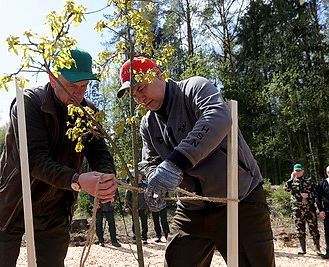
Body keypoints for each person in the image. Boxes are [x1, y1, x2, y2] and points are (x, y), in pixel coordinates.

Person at [116, 56, 275, 266]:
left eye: (141, 88)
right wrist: (153, 181)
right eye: (133, 94)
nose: (139, 98)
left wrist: (174, 163)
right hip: (191, 210)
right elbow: (150, 161)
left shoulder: (193, 88)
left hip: (239, 200)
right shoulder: (147, 124)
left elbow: (218, 117)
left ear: (159, 75)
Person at [0, 48, 117, 267]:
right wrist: (77, 180)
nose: (79, 94)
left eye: (84, 86)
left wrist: (106, 179)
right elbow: (33, 159)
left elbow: (100, 152)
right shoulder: (28, 103)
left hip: (55, 209)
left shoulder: (87, 113)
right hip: (13, 203)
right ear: (53, 79)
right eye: (72, 86)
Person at [284, 163, 322, 256]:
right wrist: (291, 179)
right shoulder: (292, 181)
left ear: (303, 171)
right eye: (296, 170)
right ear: (294, 171)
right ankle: (303, 249)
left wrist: (309, 195)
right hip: (297, 209)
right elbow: (286, 189)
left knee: (313, 228)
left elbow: (317, 192)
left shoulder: (309, 180)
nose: (298, 172)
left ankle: (318, 249)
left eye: (299, 170)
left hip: (309, 208)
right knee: (300, 229)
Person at [125, 171, 148, 244]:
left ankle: (144, 238)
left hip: (144, 207)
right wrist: (126, 206)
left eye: (140, 175)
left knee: (144, 222)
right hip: (134, 208)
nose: (138, 176)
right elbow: (126, 197)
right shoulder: (131, 185)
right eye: (137, 175)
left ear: (141, 176)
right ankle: (135, 238)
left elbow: (148, 196)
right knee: (135, 223)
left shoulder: (145, 185)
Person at [316, 165, 329, 259]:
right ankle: (328, 252)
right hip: (327, 211)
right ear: (327, 173)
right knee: (328, 232)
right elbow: (318, 198)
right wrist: (321, 210)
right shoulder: (322, 183)